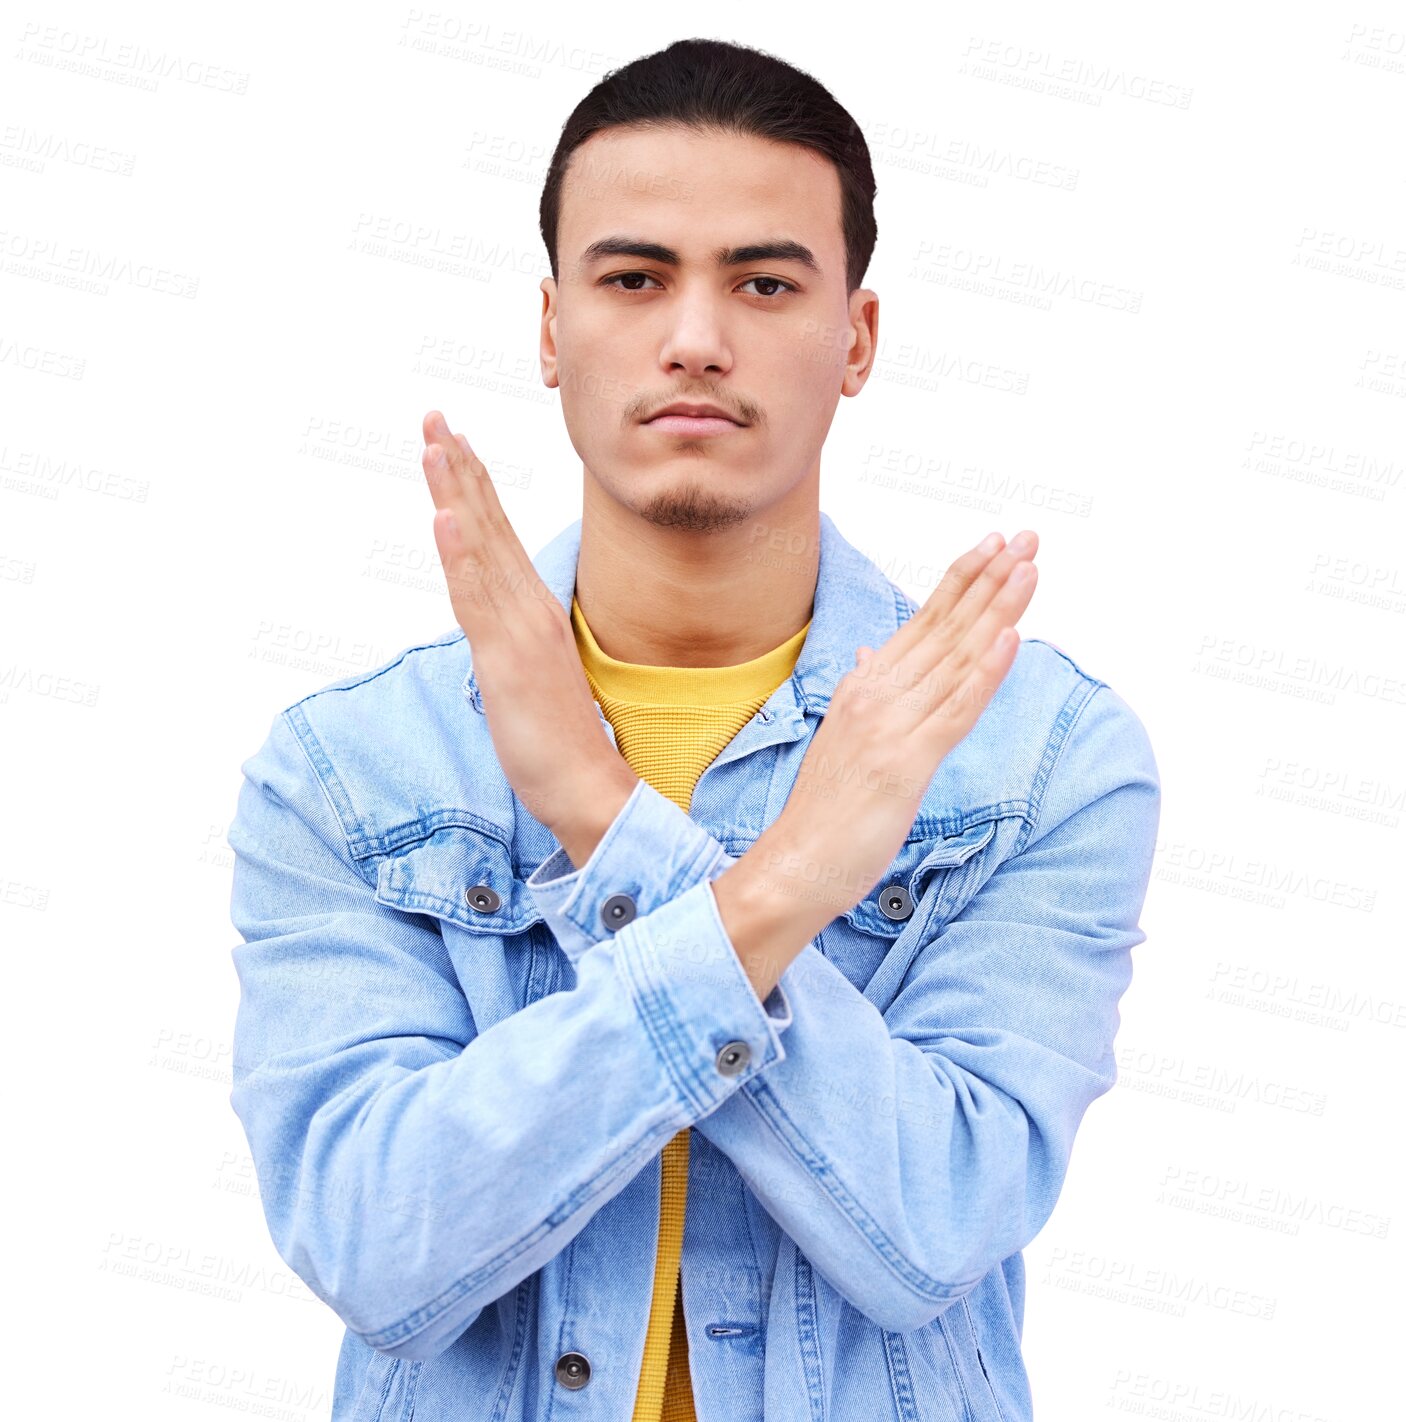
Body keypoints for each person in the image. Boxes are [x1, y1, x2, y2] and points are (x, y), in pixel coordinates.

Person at [226, 37, 1160, 1422]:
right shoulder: (354, 769)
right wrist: (775, 890)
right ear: (550, 328)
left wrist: (604, 823)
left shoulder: (1029, 760)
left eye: (764, 281)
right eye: (633, 276)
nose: (694, 337)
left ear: (855, 338)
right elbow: (381, 1248)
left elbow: (934, 1230)